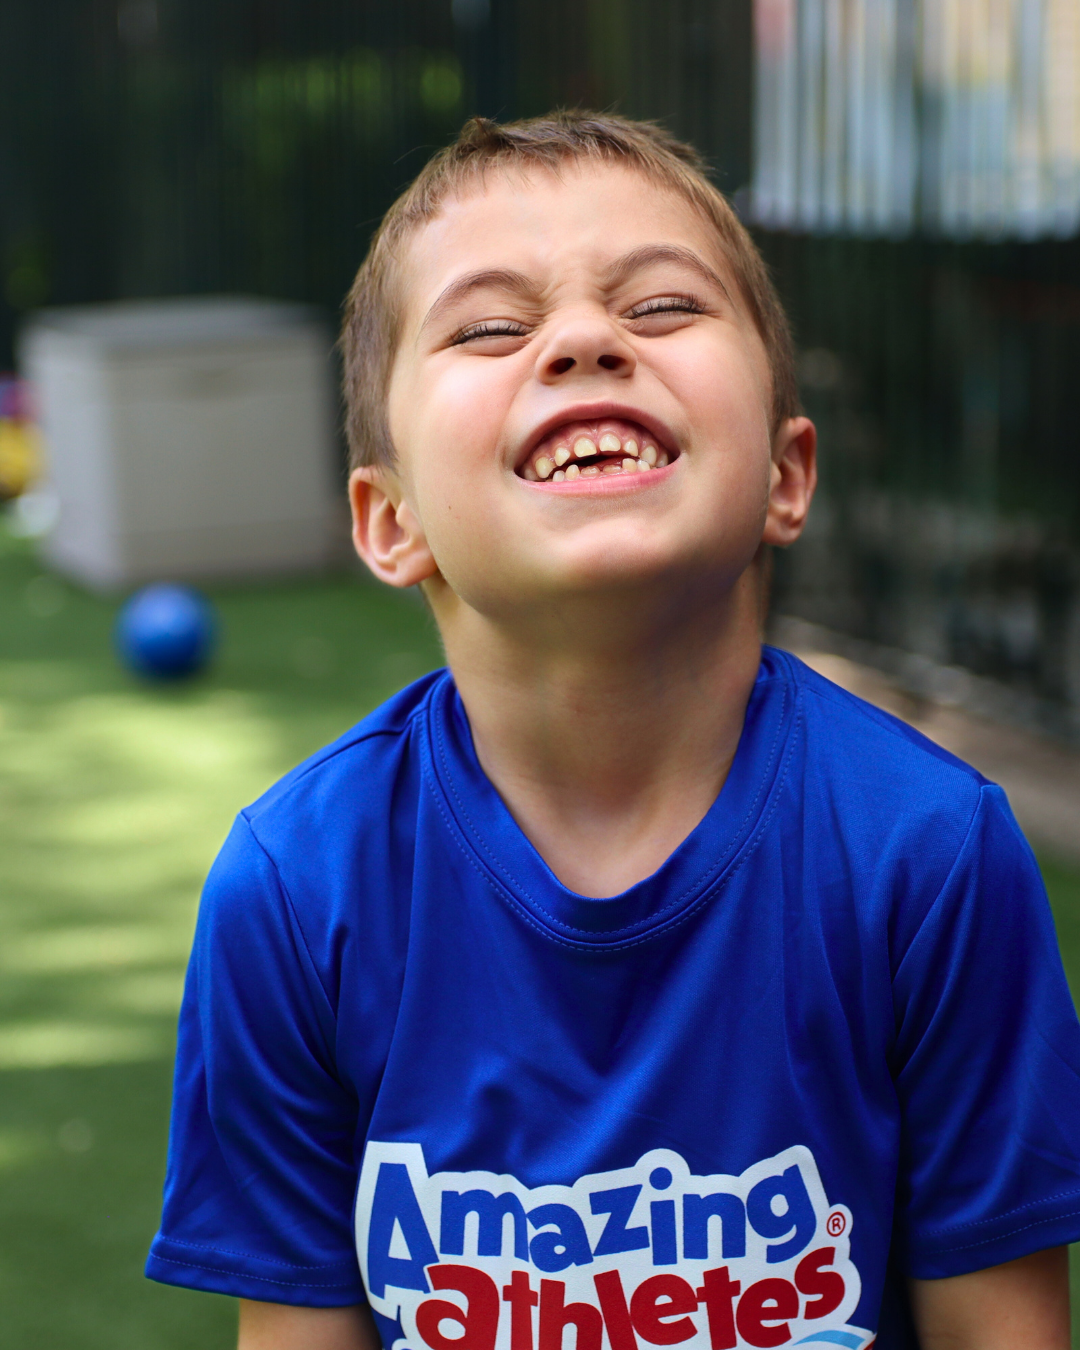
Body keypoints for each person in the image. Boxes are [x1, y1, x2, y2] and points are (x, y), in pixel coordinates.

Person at [146, 113, 1080, 1350]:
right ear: (390, 521)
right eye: (490, 327)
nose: (587, 340)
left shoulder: (929, 853)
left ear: (786, 476)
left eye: (663, 307)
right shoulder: (297, 889)